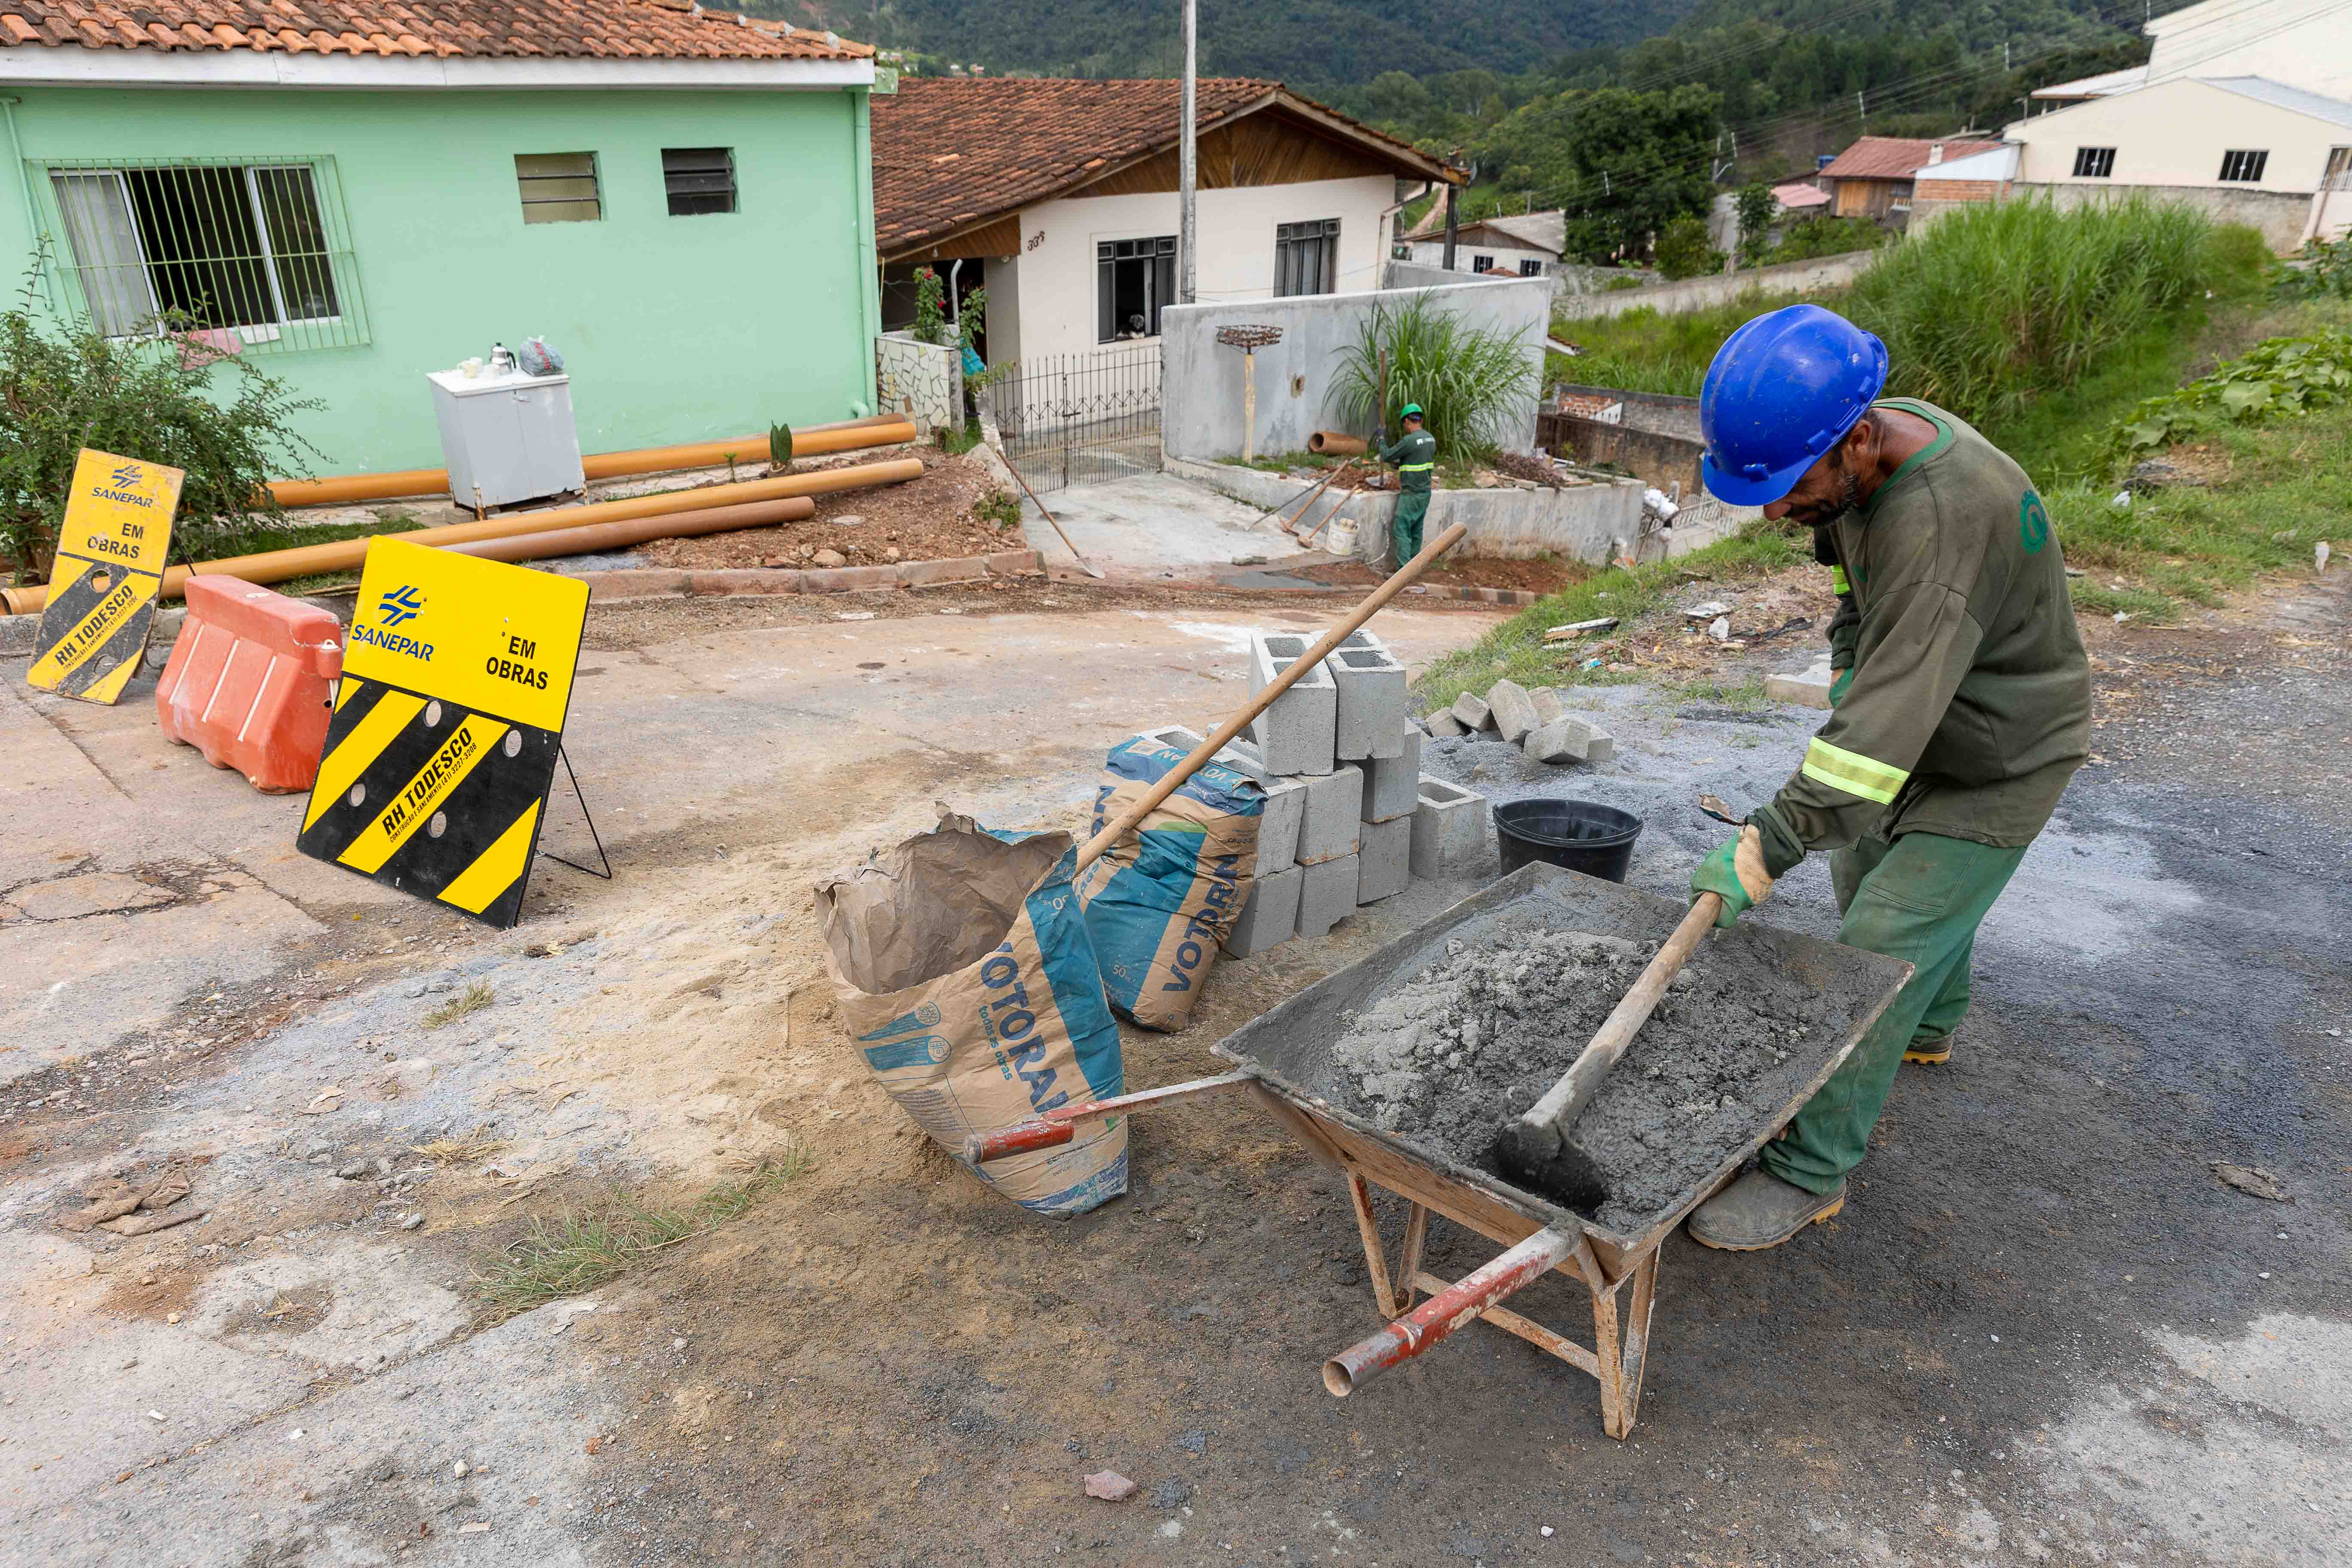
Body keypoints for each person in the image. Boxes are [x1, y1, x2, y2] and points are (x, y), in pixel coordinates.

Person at [1682, 303, 2091, 1251]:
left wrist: (1760, 847)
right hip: (1926, 718)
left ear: (1858, 443)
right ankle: (1931, 1024)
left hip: (2000, 756)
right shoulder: (1864, 443)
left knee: (1872, 947)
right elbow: (1851, 586)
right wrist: (1845, 659)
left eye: (1789, 489)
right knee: (1866, 867)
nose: (1779, 511)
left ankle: (1809, 1171)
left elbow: (1867, 746)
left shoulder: (1946, 523)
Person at [1371, 404, 1437, 566]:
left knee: (1402, 530)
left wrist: (1381, 439)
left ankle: (1402, 573)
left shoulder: (1410, 441)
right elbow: (1418, 460)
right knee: (1416, 531)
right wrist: (1401, 464)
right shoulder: (1430, 439)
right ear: (1420, 419)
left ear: (1407, 421)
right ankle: (1414, 569)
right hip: (1425, 492)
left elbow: (1386, 455)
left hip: (1411, 494)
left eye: (1404, 424)